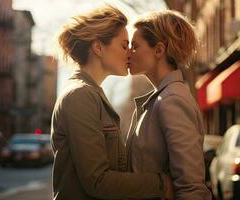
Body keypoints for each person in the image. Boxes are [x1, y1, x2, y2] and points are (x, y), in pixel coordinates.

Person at [51, 5, 173, 200]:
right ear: (98, 48)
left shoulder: (92, 94)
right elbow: (97, 181)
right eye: (124, 46)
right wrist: (161, 184)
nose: (130, 53)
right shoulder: (79, 96)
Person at [126, 10, 212, 200]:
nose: (128, 52)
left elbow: (191, 187)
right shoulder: (162, 98)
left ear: (158, 50)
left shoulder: (172, 101)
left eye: (134, 46)